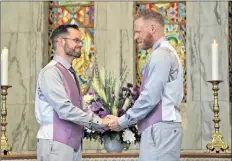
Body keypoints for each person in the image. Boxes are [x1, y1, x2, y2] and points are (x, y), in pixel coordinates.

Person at [107, 9, 184, 161]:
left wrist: (121, 122)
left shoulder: (162, 54)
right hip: (161, 127)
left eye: (138, 31)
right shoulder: (163, 52)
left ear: (152, 28)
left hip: (161, 128)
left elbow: (150, 97)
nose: (135, 37)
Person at [35, 24, 109, 161]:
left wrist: (101, 122)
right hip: (55, 143)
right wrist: (98, 122)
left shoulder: (69, 72)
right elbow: (65, 109)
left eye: (80, 41)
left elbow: (81, 106)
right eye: (76, 40)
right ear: (61, 42)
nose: (80, 44)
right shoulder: (50, 72)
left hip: (71, 144)